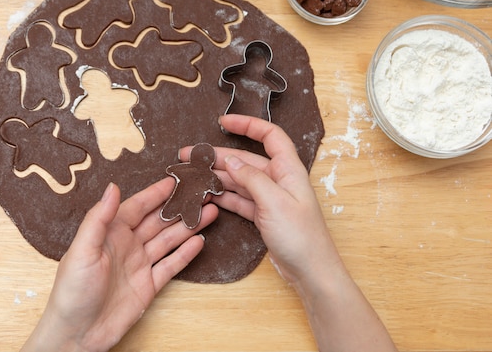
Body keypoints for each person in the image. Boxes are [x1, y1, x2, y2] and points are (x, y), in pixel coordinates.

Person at [20, 114, 398, 352]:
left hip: (186, 199)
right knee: (176, 210)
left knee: (175, 209)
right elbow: (208, 187)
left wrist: (67, 337)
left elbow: (209, 187)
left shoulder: (191, 173)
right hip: (187, 199)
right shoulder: (192, 173)